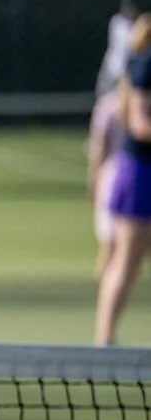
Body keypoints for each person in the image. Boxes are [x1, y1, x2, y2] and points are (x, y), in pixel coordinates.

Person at [95, 13, 151, 347]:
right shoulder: (144, 66)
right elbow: (140, 123)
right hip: (139, 173)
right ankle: (104, 340)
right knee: (126, 259)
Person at [88, 86, 123, 280]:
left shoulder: (108, 104)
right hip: (120, 178)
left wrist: (93, 182)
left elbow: (98, 151)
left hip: (111, 179)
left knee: (110, 252)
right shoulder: (110, 104)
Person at [96, 0, 138, 97]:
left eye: (129, 8)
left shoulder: (137, 26)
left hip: (127, 72)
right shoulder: (116, 22)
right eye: (124, 7)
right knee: (104, 95)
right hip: (112, 68)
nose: (126, 10)